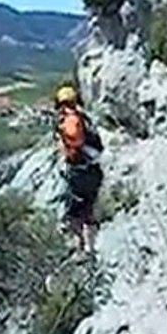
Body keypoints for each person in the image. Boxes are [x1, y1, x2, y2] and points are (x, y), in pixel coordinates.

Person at [53, 84, 104, 255]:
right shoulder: (85, 118)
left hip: (79, 171)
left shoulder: (70, 120)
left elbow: (74, 139)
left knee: (72, 215)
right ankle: (91, 249)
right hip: (94, 170)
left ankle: (80, 250)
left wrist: (61, 134)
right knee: (88, 211)